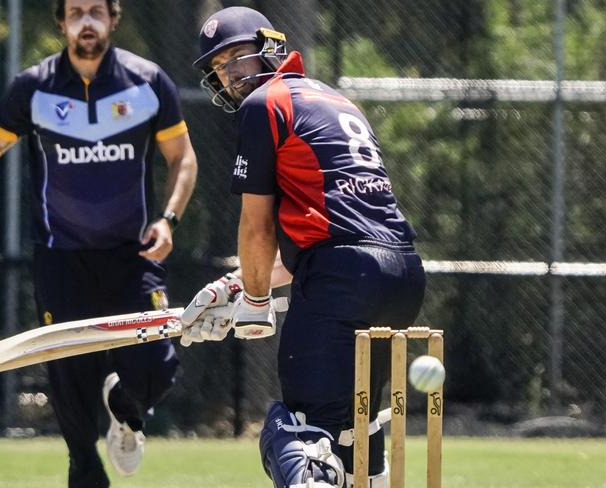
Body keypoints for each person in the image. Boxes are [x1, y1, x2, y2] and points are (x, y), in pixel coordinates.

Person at [181, 6, 426, 488]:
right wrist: (235, 286)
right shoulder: (336, 100)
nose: (231, 76)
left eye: (238, 59)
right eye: (220, 68)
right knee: (357, 430)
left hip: (341, 279)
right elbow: (330, 230)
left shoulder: (264, 104)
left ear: (269, 48)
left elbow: (257, 227)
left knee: (293, 431)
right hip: (401, 276)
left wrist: (254, 303)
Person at [0, 1, 197, 486]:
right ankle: (84, 470)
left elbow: (183, 158)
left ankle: (127, 408)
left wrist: (169, 220)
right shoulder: (32, 88)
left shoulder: (147, 81)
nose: (85, 21)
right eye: (75, 12)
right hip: (61, 258)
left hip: (134, 257)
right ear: (61, 22)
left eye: (95, 11)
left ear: (113, 18)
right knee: (71, 387)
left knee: (157, 366)